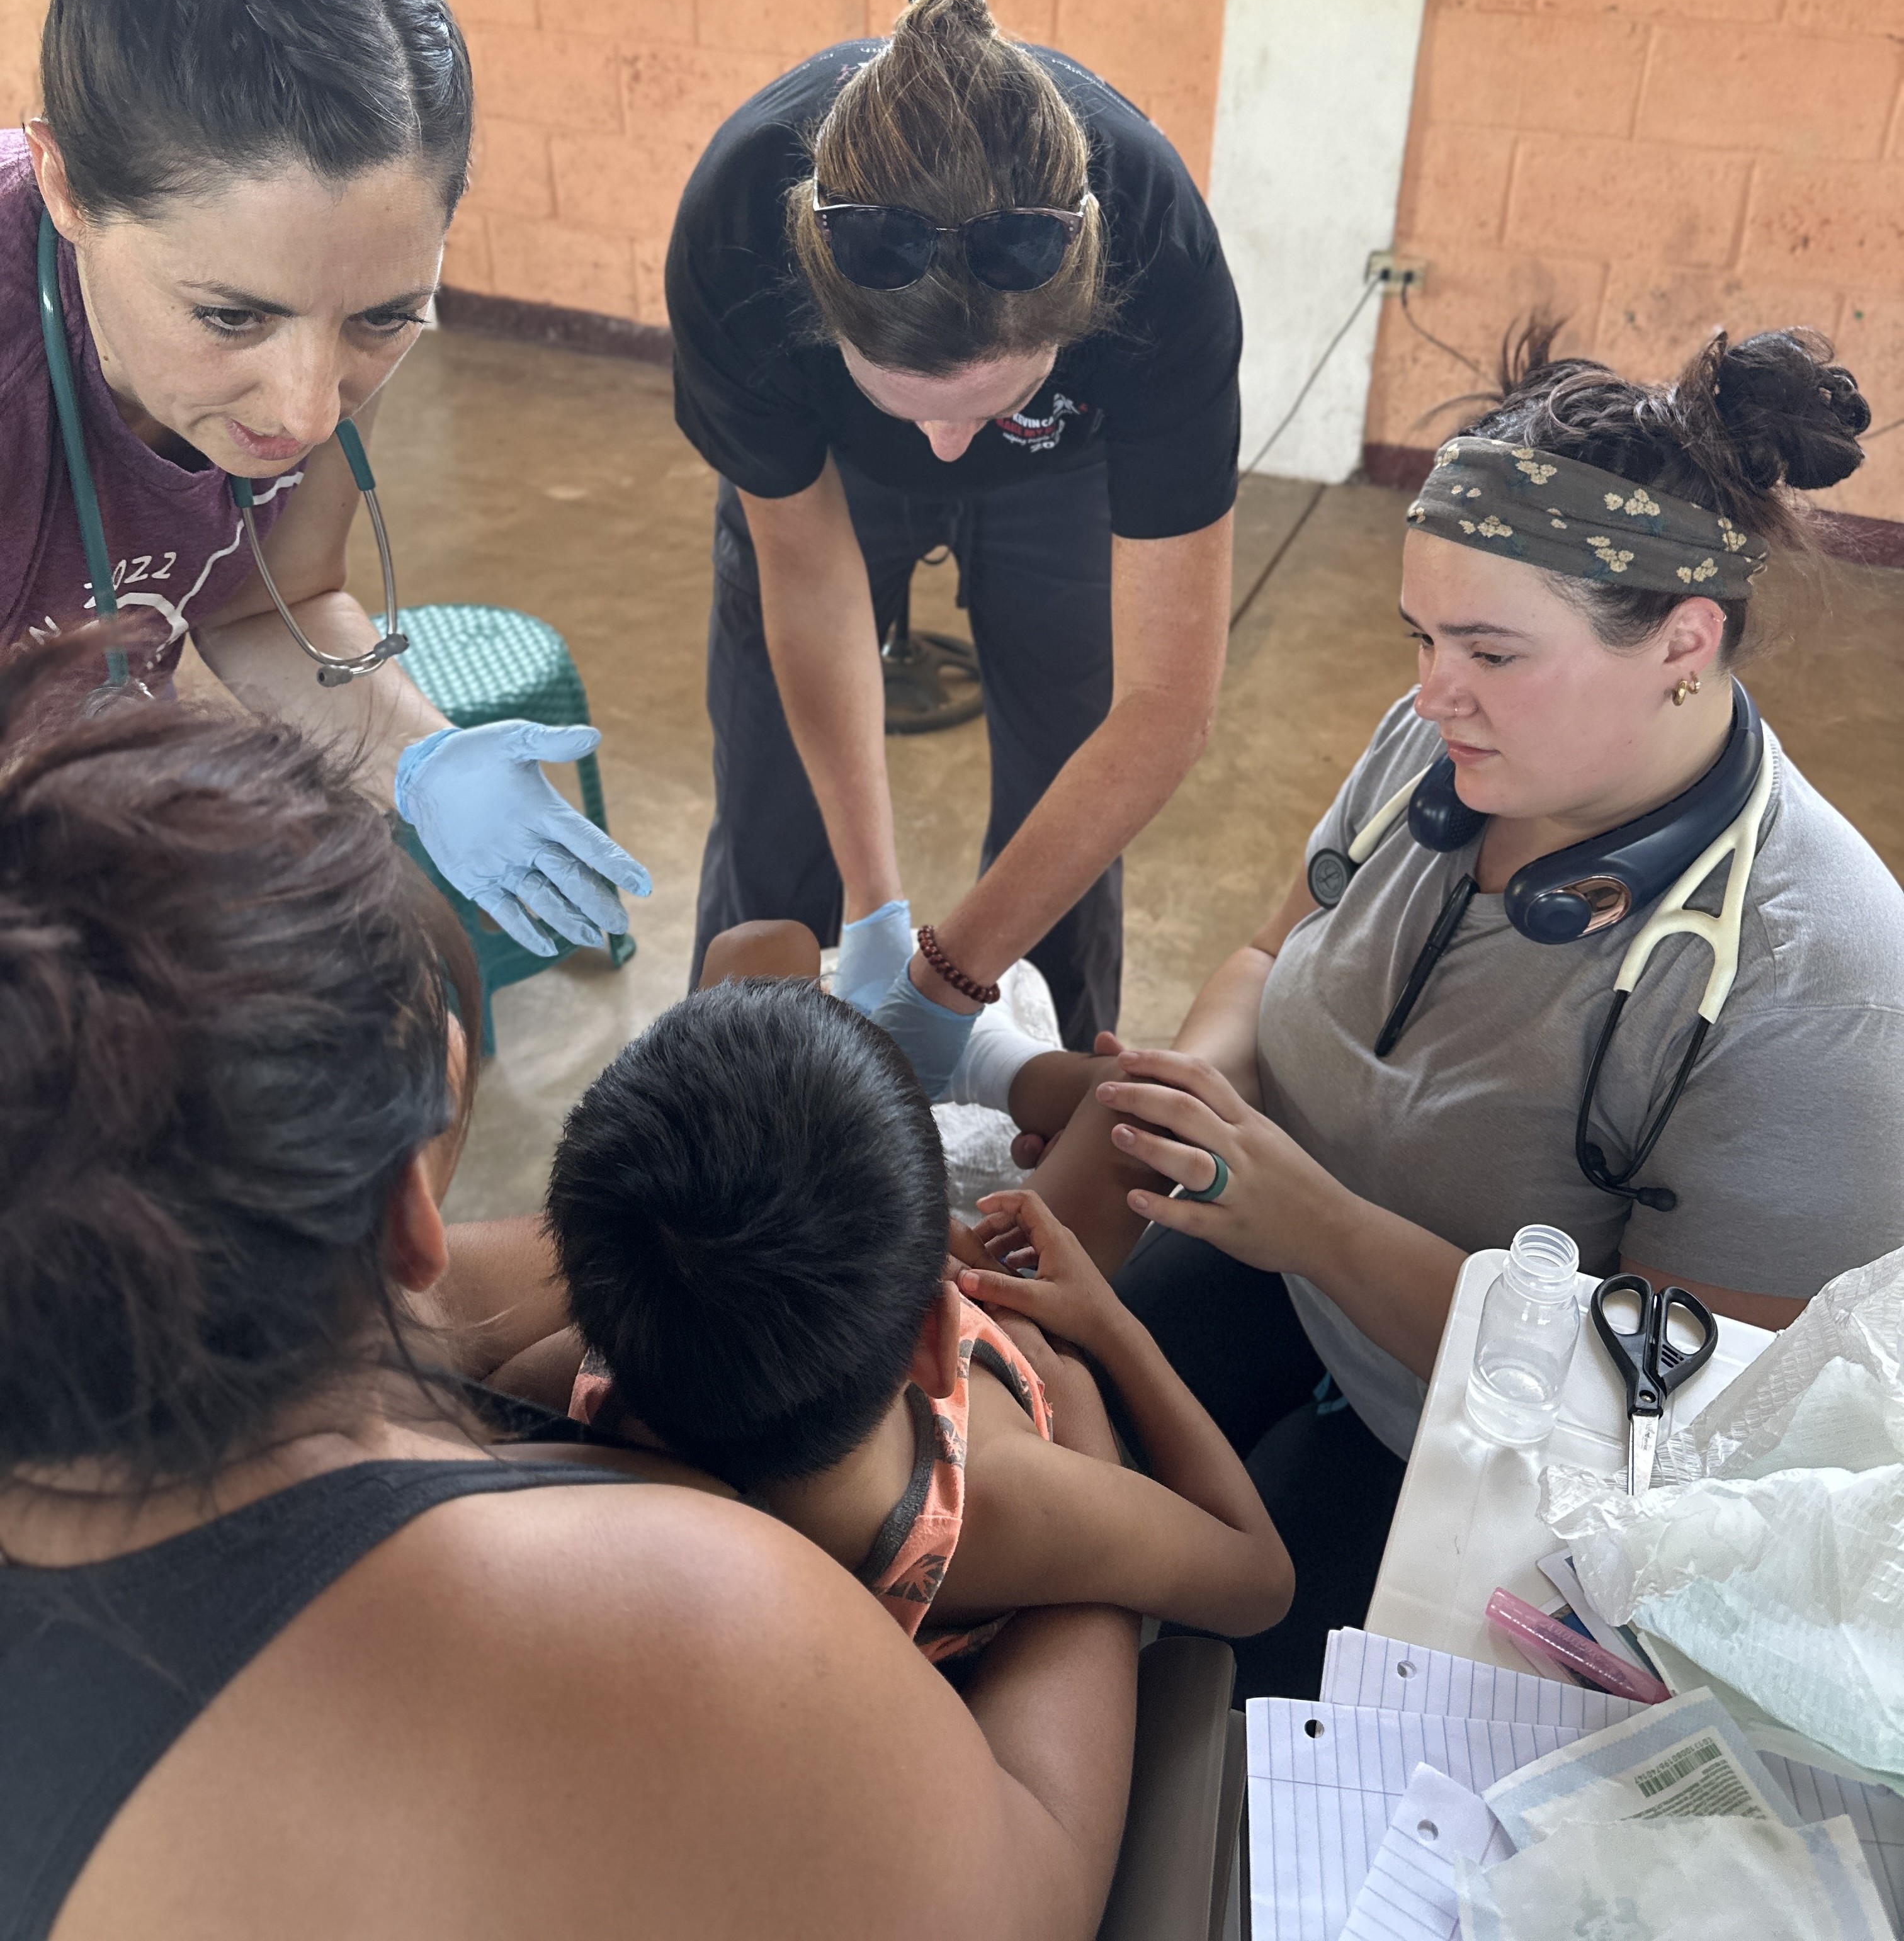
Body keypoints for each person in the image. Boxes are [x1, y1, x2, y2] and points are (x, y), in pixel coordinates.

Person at [0, 642, 1138, 1941]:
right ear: (412, 1205)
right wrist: (1083, 1495)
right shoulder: (701, 1622)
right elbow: (1039, 1877)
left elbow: (613, 1247)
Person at [970, 326, 1904, 1696]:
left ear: (1684, 643)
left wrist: (1324, 1226)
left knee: (1202, 1695)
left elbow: (1696, 1409)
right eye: (1422, 635)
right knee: (1012, 1498)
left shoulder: (1817, 983)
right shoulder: (1452, 746)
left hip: (1502, 1443)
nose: (1428, 693)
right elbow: (1264, 948)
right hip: (1282, 1257)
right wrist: (1196, 1090)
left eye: (1489, 648)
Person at [4, 0, 647, 957]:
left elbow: (267, 604)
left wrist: (417, 755)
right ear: (66, 188)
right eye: (230, 318)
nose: (306, 410)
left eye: (383, 319)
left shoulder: (336, 311)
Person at [667, 0, 1240, 1091]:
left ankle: (1047, 1107)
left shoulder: (1158, 256)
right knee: (773, 822)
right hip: (827, 469)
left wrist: (947, 982)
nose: (944, 447)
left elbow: (1165, 709)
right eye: (910, 402)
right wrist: (879, 909)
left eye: (981, 405)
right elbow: (808, 580)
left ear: (1080, 310)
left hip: (1062, 471)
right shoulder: (738, 227)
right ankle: (735, 1121)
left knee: (1067, 790)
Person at [544, 963, 1293, 1663]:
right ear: (940, 1336)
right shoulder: (1010, 1504)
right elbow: (1260, 1579)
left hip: (871, 1346)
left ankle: (1007, 1071)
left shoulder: (604, 1377)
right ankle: (1003, 1066)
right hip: (1030, 1382)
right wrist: (1101, 1331)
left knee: (759, 945)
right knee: (1133, 1106)